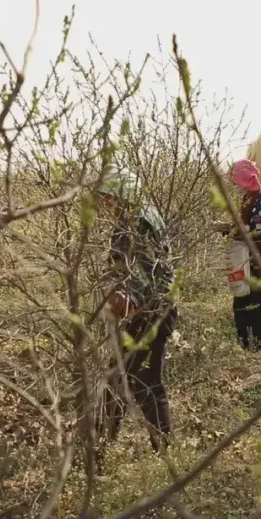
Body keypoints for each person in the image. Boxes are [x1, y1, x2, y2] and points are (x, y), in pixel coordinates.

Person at [94, 165, 177, 461]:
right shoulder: (144, 214)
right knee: (147, 379)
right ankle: (163, 449)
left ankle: (100, 448)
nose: (104, 204)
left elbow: (154, 273)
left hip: (150, 311)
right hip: (159, 308)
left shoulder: (135, 222)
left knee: (122, 378)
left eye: (108, 197)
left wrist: (132, 300)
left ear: (121, 194)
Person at [219, 159, 261, 350]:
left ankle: (258, 345)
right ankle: (244, 342)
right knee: (242, 298)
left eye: (237, 180)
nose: (236, 185)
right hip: (247, 258)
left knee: (258, 302)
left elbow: (253, 231)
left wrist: (230, 230)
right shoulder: (249, 197)